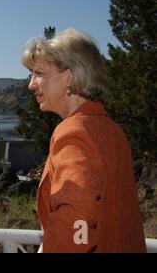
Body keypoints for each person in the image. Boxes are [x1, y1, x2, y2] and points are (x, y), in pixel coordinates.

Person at [22, 28, 146, 253]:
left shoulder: (73, 132)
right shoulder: (111, 130)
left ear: (69, 77)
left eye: (39, 73)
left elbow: (76, 215)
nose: (31, 84)